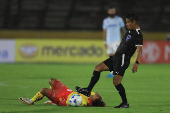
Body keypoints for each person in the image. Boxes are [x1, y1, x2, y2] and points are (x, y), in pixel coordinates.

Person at [76, 13, 143, 108]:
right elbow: (124, 45)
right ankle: (88, 90)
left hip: (123, 59)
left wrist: (136, 62)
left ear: (134, 22)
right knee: (97, 68)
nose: (126, 24)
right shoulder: (129, 32)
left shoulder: (137, 35)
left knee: (116, 82)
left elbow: (140, 50)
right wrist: (116, 53)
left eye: (128, 22)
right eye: (126, 22)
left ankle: (125, 103)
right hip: (116, 57)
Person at [19, 78, 106, 107]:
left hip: (62, 99)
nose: (97, 94)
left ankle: (30, 101)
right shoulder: (91, 95)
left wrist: (77, 95)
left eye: (97, 96)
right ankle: (52, 100)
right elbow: (87, 92)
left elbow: (69, 102)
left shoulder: (82, 102)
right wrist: (81, 90)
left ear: (94, 100)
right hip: (66, 91)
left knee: (44, 90)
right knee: (52, 81)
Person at [103, 7, 126, 77]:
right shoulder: (106, 21)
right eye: (111, 11)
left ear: (115, 12)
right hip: (108, 40)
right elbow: (104, 31)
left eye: (113, 11)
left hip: (116, 40)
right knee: (110, 56)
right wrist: (104, 41)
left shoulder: (119, 19)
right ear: (108, 12)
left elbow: (123, 29)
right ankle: (112, 72)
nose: (112, 12)